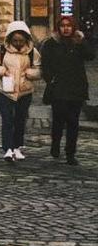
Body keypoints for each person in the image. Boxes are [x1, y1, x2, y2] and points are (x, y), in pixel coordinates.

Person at [41, 15, 95, 165]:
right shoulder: (51, 44)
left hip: (76, 88)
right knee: (58, 120)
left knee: (73, 122)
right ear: (58, 28)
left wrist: (82, 41)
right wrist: (50, 79)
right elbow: (45, 64)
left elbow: (90, 56)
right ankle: (55, 145)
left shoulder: (77, 43)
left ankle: (70, 153)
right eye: (63, 26)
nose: (66, 28)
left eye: (69, 26)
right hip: (58, 87)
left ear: (73, 27)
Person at [0, 20, 41, 162]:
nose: (18, 43)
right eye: (15, 40)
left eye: (21, 40)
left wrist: (30, 73)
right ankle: (8, 149)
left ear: (26, 39)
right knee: (7, 119)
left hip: (24, 90)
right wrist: (2, 71)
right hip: (5, 90)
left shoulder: (32, 52)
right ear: (10, 38)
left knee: (20, 120)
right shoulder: (1, 50)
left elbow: (40, 69)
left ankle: (17, 147)